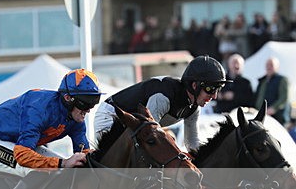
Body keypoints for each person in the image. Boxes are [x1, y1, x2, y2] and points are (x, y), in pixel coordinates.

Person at [95, 55, 227, 151]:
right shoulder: (163, 97)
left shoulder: (193, 108)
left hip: (133, 126)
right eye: (211, 89)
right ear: (194, 85)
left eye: (218, 90)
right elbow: (148, 135)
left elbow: (192, 144)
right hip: (111, 116)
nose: (214, 96)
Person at [254, 57, 290, 126]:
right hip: (262, 117)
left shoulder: (282, 80)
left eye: (271, 65)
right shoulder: (262, 81)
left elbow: (284, 98)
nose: (269, 67)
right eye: (267, 65)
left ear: (277, 67)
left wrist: (274, 108)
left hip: (277, 118)